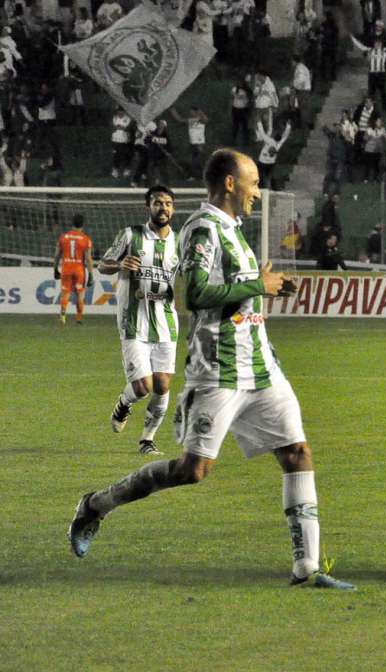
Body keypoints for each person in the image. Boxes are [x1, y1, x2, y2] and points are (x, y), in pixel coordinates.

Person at [67, 149, 354, 591]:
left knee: (297, 452)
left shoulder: (234, 231)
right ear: (228, 183)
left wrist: (264, 287)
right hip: (217, 367)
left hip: (260, 364)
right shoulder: (201, 228)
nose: (258, 190)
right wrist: (260, 283)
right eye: (253, 181)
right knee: (192, 470)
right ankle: (96, 505)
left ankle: (307, 569)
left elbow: (231, 291)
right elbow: (196, 294)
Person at [99, 186, 179, 456]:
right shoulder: (130, 235)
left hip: (166, 322)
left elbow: (185, 282)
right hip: (133, 322)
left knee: (163, 385)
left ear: (173, 209)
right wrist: (119, 265)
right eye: (158, 203)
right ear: (149, 207)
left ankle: (147, 440)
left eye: (168, 203)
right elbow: (103, 264)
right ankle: (124, 402)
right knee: (143, 387)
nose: (163, 208)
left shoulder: (179, 243)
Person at [53, 214, 95, 325]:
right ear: (83, 225)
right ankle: (79, 318)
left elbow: (57, 255)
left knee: (65, 293)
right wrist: (91, 274)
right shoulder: (86, 239)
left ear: (72, 223)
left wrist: (55, 269)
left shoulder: (63, 237)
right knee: (80, 293)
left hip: (66, 267)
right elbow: (88, 259)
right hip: (79, 269)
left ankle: (63, 315)